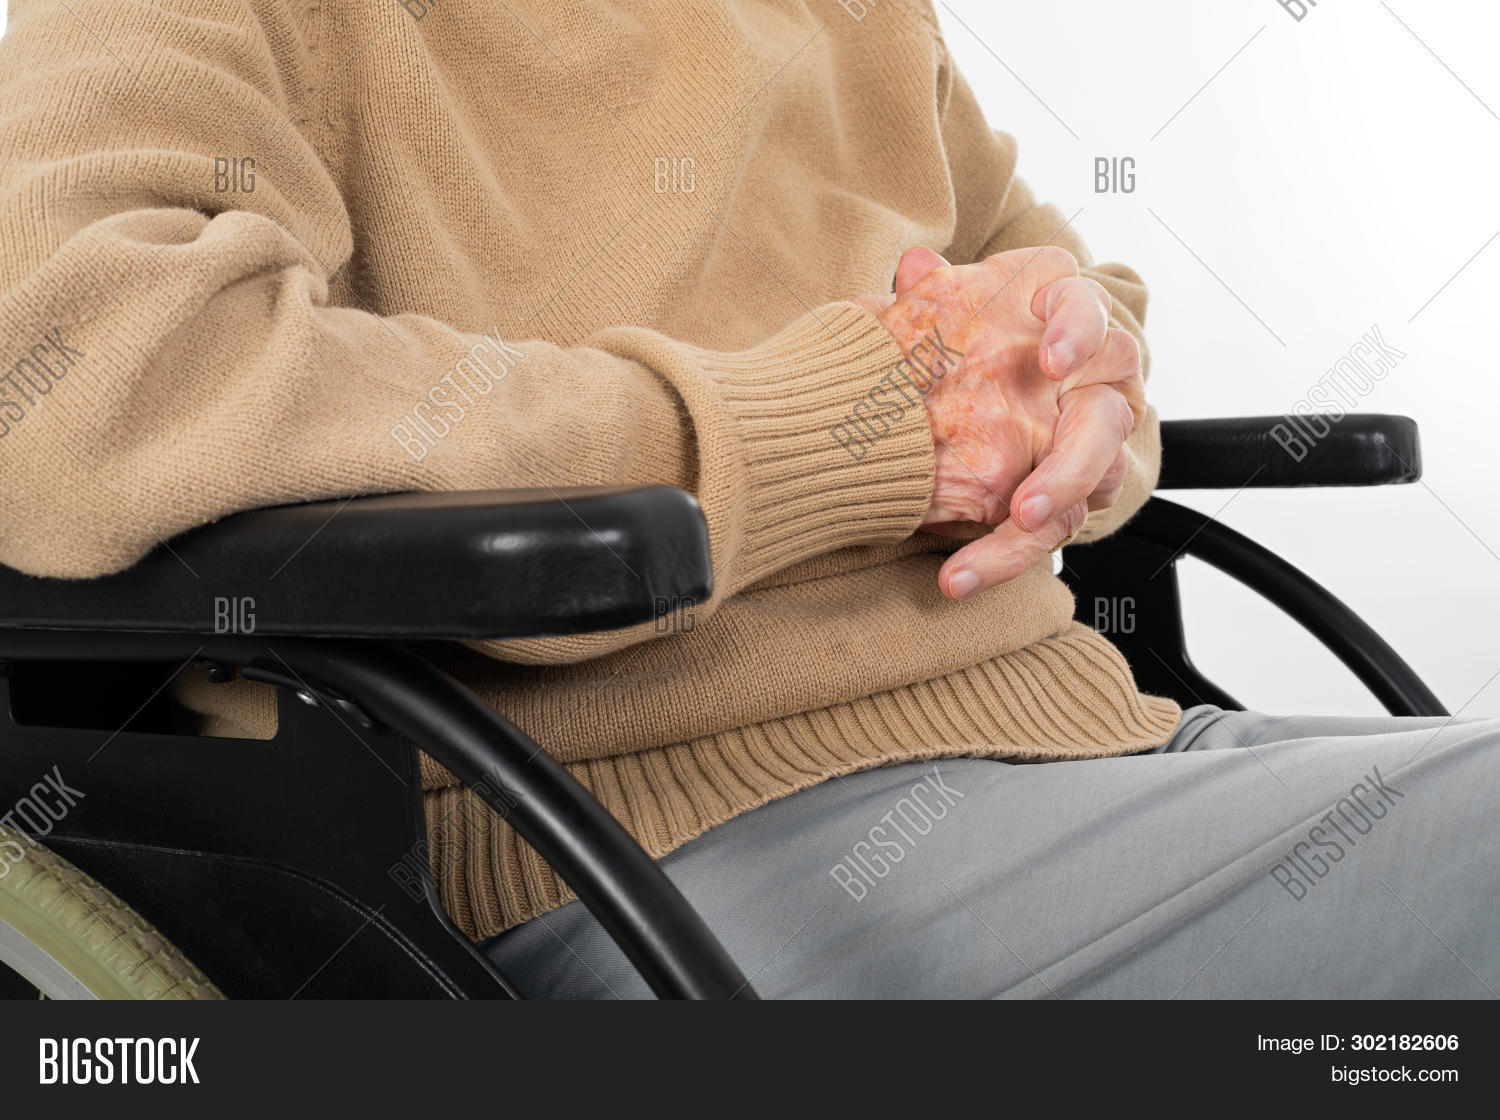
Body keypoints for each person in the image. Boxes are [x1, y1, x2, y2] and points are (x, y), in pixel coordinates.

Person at [0, 0, 1492, 999]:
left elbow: (1041, 300)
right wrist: (812, 432)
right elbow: (78, 377)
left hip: (1097, 732)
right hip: (630, 844)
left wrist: (1083, 409)